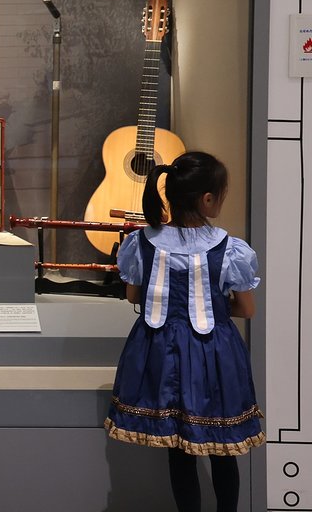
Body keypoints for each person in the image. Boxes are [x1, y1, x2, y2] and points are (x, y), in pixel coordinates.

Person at [105, 151, 263, 512]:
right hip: (214, 353)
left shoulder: (141, 242)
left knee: (178, 448)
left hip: (160, 351)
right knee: (222, 446)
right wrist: (213, 309)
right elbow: (247, 309)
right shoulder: (229, 247)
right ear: (207, 199)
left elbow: (133, 295)